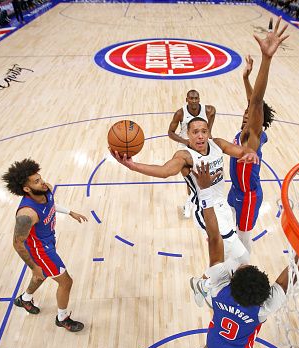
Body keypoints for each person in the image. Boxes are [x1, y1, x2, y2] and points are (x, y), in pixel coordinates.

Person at [188, 162, 299, 348]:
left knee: (213, 344)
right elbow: (295, 269)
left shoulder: (218, 290)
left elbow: (213, 237)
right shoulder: (263, 308)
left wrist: (205, 191)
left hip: (216, 335)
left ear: (232, 282)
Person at [113, 117, 256, 267]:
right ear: (187, 134)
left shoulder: (217, 144)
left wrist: (250, 152)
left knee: (226, 257)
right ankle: (209, 285)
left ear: (208, 133)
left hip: (222, 205)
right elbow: (164, 171)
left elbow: (242, 151)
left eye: (204, 131)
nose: (200, 136)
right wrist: (133, 166)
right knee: (243, 258)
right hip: (204, 209)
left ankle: (214, 283)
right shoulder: (185, 156)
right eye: (195, 132)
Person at [2, 159, 88, 332]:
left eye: (40, 178)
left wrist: (70, 212)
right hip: (40, 251)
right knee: (66, 282)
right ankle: (62, 318)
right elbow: (17, 243)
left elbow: (51, 204)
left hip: (49, 241)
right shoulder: (27, 214)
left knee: (43, 275)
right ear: (26, 189)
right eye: (36, 181)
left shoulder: (45, 189)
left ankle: (25, 299)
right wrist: (34, 266)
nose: (42, 183)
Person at [228, 17, 288, 254]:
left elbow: (256, 103)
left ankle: (242, 275)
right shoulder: (250, 133)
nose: (246, 114)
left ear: (257, 121)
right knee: (231, 233)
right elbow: (251, 104)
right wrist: (245, 78)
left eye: (250, 114)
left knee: (242, 241)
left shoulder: (251, 138)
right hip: (235, 190)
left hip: (248, 196)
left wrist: (266, 59)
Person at [167, 90, 216, 218]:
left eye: (196, 98)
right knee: (190, 176)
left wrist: (208, 134)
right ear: (187, 99)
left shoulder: (208, 110)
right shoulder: (180, 113)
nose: (194, 101)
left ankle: (205, 201)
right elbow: (170, 132)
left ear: (199, 99)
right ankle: (190, 203)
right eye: (191, 98)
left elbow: (212, 117)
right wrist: (185, 141)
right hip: (186, 144)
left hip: (200, 143)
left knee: (204, 174)